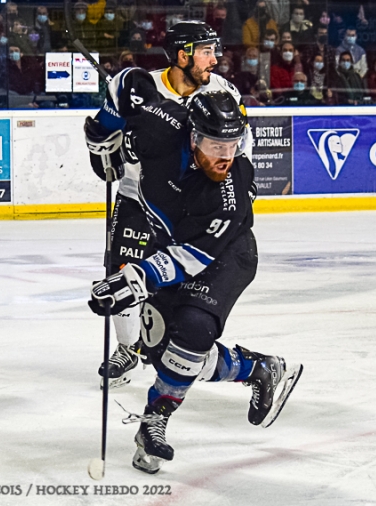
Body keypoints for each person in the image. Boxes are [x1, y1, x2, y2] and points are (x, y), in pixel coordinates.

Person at [88, 80, 302, 473]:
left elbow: (191, 258)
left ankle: (154, 422)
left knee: (192, 330)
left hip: (224, 254)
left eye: (233, 146)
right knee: (157, 350)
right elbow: (127, 86)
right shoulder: (160, 126)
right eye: (217, 147)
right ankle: (258, 369)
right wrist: (101, 134)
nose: (226, 156)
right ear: (193, 135)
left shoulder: (230, 189)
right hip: (168, 242)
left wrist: (136, 278)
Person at [84, 21, 251, 389]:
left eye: (214, 50)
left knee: (172, 276)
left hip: (185, 205)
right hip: (136, 194)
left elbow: (243, 145)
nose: (214, 59)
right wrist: (108, 142)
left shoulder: (224, 92)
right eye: (206, 51)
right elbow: (107, 139)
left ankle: (176, 343)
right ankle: (129, 347)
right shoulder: (146, 89)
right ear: (182, 55)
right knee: (121, 268)